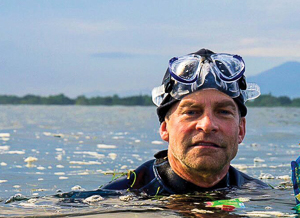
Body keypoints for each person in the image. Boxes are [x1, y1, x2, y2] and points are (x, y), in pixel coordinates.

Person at [102, 48, 269, 196]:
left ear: (241, 130)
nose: (207, 125)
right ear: (165, 128)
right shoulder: (118, 198)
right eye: (191, 112)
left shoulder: (260, 195)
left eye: (223, 112)